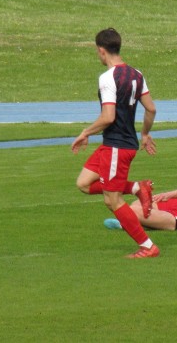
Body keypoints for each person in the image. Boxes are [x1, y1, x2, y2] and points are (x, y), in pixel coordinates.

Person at [71, 28, 160, 259]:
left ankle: (147, 246)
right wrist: (145, 134)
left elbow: (108, 116)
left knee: (112, 200)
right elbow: (151, 108)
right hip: (117, 144)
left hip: (117, 147)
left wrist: (85, 132)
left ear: (102, 51)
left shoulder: (107, 78)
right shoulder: (137, 74)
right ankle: (136, 188)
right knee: (83, 183)